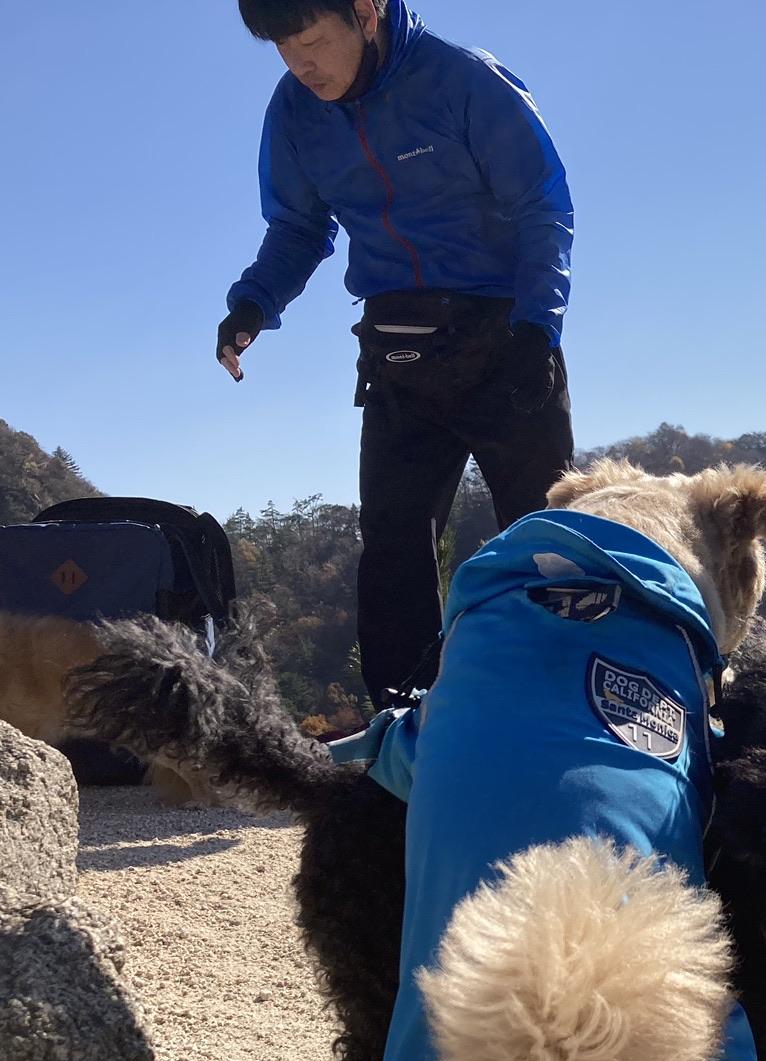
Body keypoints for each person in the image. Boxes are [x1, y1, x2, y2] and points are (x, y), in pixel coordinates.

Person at [219, 0, 575, 710]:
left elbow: (542, 204)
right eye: (284, 49)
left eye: (314, 41)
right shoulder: (294, 111)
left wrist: (539, 328)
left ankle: (566, 707)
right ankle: (402, 730)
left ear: (367, 11)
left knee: (551, 541)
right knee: (392, 549)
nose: (302, 65)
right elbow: (297, 226)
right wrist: (255, 303)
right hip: (397, 346)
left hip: (504, 338)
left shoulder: (463, 80)